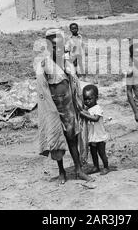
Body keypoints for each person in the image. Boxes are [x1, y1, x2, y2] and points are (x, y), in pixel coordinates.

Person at [36, 28, 92, 185]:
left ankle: (78, 169)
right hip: (53, 110)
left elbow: (74, 86)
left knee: (73, 139)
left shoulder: (67, 64)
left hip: (68, 109)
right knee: (57, 143)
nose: (56, 48)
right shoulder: (43, 65)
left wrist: (78, 106)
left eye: (59, 45)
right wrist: (50, 110)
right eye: (53, 45)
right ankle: (61, 172)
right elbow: (42, 90)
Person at [80, 84, 109, 175]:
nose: (87, 101)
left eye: (90, 99)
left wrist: (83, 114)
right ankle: (96, 166)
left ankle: (106, 167)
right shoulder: (87, 109)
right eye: (85, 99)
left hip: (99, 135)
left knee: (101, 152)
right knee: (93, 152)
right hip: (92, 136)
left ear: (96, 98)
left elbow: (95, 119)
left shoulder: (97, 108)